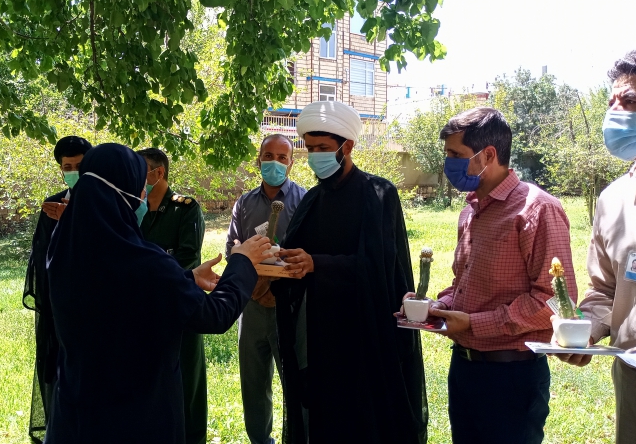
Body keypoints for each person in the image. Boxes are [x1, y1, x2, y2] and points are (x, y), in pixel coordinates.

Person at [43, 143, 271, 444]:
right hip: (134, 416)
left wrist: (186, 277)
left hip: (76, 409)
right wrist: (242, 261)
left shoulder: (65, 250)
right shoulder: (145, 262)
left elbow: (118, 293)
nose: (143, 197)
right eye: (140, 188)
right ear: (124, 194)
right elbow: (214, 316)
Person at [413, 107, 577, 444]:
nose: (448, 164)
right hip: (464, 368)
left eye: (455, 155)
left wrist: (474, 324)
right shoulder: (470, 210)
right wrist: (436, 306)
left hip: (512, 376)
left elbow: (554, 300)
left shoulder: (537, 209)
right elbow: (463, 284)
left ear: (488, 155)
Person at [270, 101, 428, 444]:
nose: (315, 156)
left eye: (323, 148)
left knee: (367, 420)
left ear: (348, 146)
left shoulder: (378, 194)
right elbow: (294, 257)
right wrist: (274, 261)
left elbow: (380, 268)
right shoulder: (313, 200)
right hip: (322, 333)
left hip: (368, 332)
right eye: (310, 148)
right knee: (328, 418)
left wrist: (317, 263)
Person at [554, 50, 636, 444]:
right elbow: (604, 290)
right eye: (612, 102)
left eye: (630, 100)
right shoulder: (612, 199)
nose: (616, 111)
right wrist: (585, 331)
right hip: (632, 374)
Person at [226, 134, 306, 444]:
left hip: (290, 306)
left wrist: (277, 287)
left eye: (281, 157)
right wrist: (255, 287)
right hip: (252, 306)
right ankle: (260, 440)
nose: (274, 162)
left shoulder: (305, 200)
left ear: (291, 163)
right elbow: (233, 249)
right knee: (254, 384)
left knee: (296, 383)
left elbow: (310, 253)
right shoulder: (244, 203)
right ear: (258, 160)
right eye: (268, 156)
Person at [135, 147, 208, 444]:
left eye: (140, 172)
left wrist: (150, 279)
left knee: (187, 381)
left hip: (179, 306)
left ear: (159, 173)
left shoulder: (185, 208)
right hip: (143, 310)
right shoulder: (133, 210)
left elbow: (188, 258)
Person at [22, 136, 92, 442]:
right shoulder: (52, 204)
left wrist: (74, 220)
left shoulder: (107, 204)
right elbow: (41, 255)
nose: (73, 172)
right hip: (59, 307)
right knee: (59, 375)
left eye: (79, 166)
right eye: (67, 167)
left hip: (94, 309)